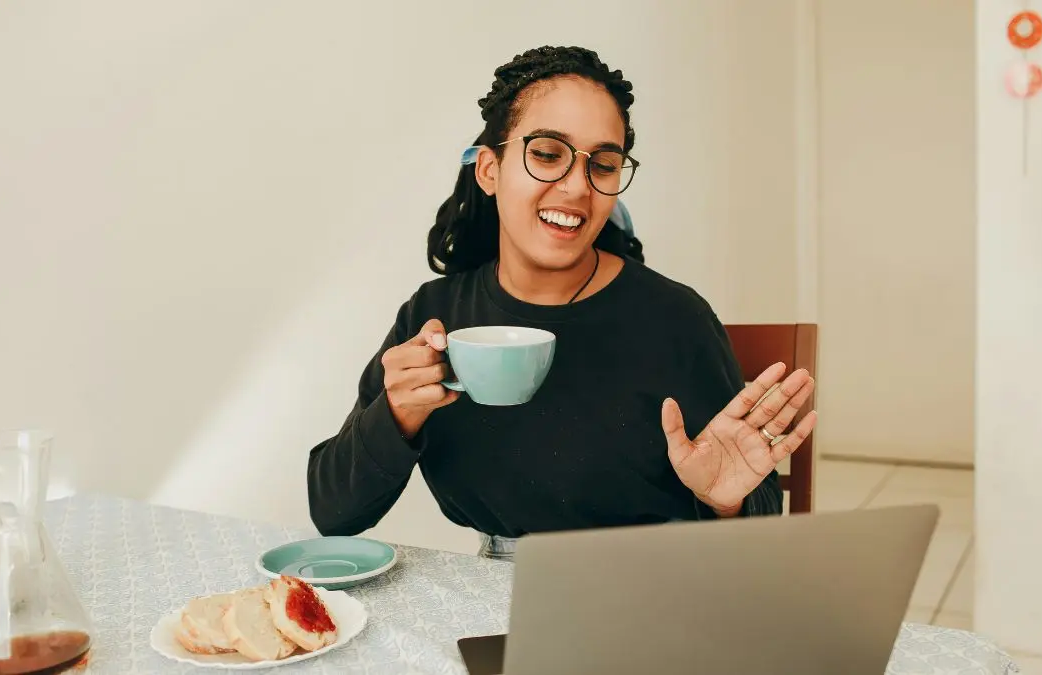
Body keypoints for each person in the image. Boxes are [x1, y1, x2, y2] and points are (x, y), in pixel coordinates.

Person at [307, 46, 817, 560]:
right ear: (489, 169)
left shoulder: (674, 319)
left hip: (653, 589)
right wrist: (394, 415)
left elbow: (756, 510)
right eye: (548, 153)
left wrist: (721, 503)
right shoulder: (433, 317)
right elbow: (334, 513)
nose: (577, 186)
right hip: (490, 591)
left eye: (604, 163)